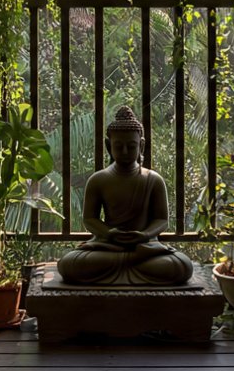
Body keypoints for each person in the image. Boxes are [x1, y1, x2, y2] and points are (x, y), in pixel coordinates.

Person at [56, 107, 194, 286]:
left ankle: (127, 264)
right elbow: (90, 219)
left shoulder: (153, 180)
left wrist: (144, 235)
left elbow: (161, 220)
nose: (125, 151)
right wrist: (109, 233)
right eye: (118, 146)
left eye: (131, 146)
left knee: (181, 265)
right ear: (108, 146)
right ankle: (130, 263)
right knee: (70, 264)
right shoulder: (98, 180)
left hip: (144, 247)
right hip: (109, 246)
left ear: (141, 145)